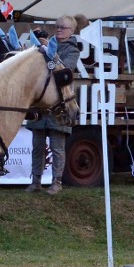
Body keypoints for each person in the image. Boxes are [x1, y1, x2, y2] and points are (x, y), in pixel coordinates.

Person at [25, 15, 81, 195]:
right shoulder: (47, 45)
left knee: (58, 147)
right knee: (37, 146)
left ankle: (57, 182)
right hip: (41, 101)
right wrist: (36, 44)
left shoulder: (73, 50)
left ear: (71, 31)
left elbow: (65, 70)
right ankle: (36, 181)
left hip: (60, 103)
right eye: (56, 27)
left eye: (63, 27)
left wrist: (51, 50)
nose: (58, 30)